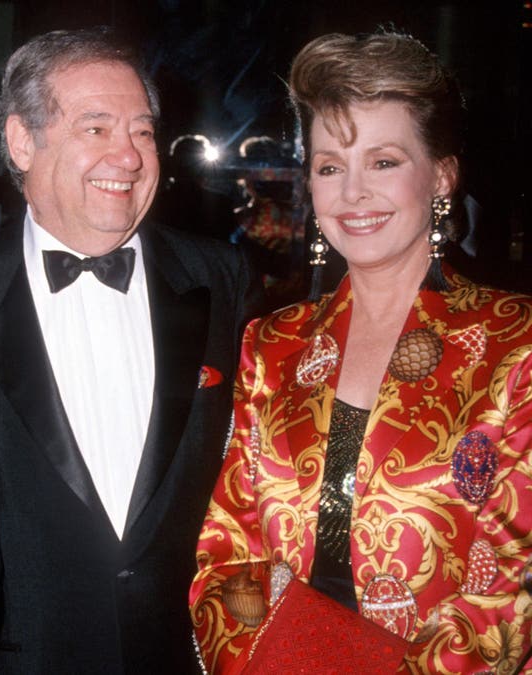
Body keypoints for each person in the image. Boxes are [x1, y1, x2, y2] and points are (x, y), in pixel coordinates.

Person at [0, 27, 260, 673]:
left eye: (142, 131)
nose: (129, 156)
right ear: (21, 142)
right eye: (96, 128)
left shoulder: (221, 278)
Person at [190, 31, 532, 673]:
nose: (352, 193)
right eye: (329, 166)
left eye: (383, 162)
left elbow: (510, 596)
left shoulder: (516, 346)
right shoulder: (273, 344)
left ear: (442, 176)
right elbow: (228, 555)